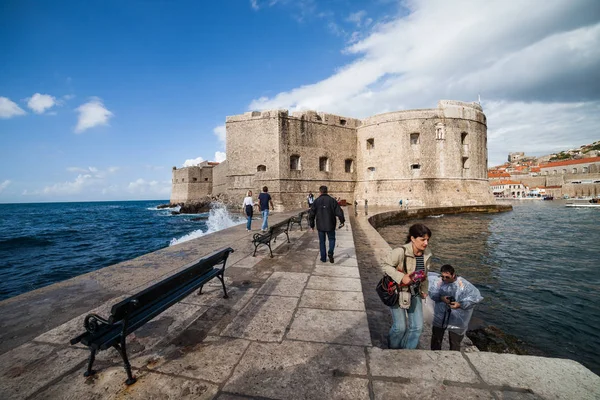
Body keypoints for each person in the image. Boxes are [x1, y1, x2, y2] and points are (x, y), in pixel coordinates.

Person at [381, 223, 432, 349]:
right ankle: (393, 349)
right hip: (398, 291)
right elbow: (385, 266)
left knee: (417, 327)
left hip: (415, 292)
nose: (426, 243)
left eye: (427, 240)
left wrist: (424, 290)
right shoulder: (400, 252)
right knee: (400, 328)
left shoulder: (427, 254)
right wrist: (401, 277)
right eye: (423, 240)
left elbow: (425, 274)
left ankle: (407, 351)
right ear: (412, 239)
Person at [429, 264, 483, 351]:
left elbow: (475, 298)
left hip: (457, 321)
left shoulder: (464, 285)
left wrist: (460, 304)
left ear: (453, 275)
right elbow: (432, 293)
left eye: (447, 277)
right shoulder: (439, 282)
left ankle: (453, 358)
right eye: (442, 276)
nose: (444, 279)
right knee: (436, 339)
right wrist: (441, 298)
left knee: (455, 343)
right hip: (440, 317)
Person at [309, 185, 345, 263]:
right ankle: (330, 252)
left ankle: (323, 258)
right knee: (332, 239)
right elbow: (339, 212)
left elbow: (311, 214)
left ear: (320, 192)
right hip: (331, 224)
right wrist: (342, 221)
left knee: (322, 242)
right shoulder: (332, 200)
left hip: (320, 225)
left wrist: (312, 225)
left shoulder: (316, 201)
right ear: (327, 191)